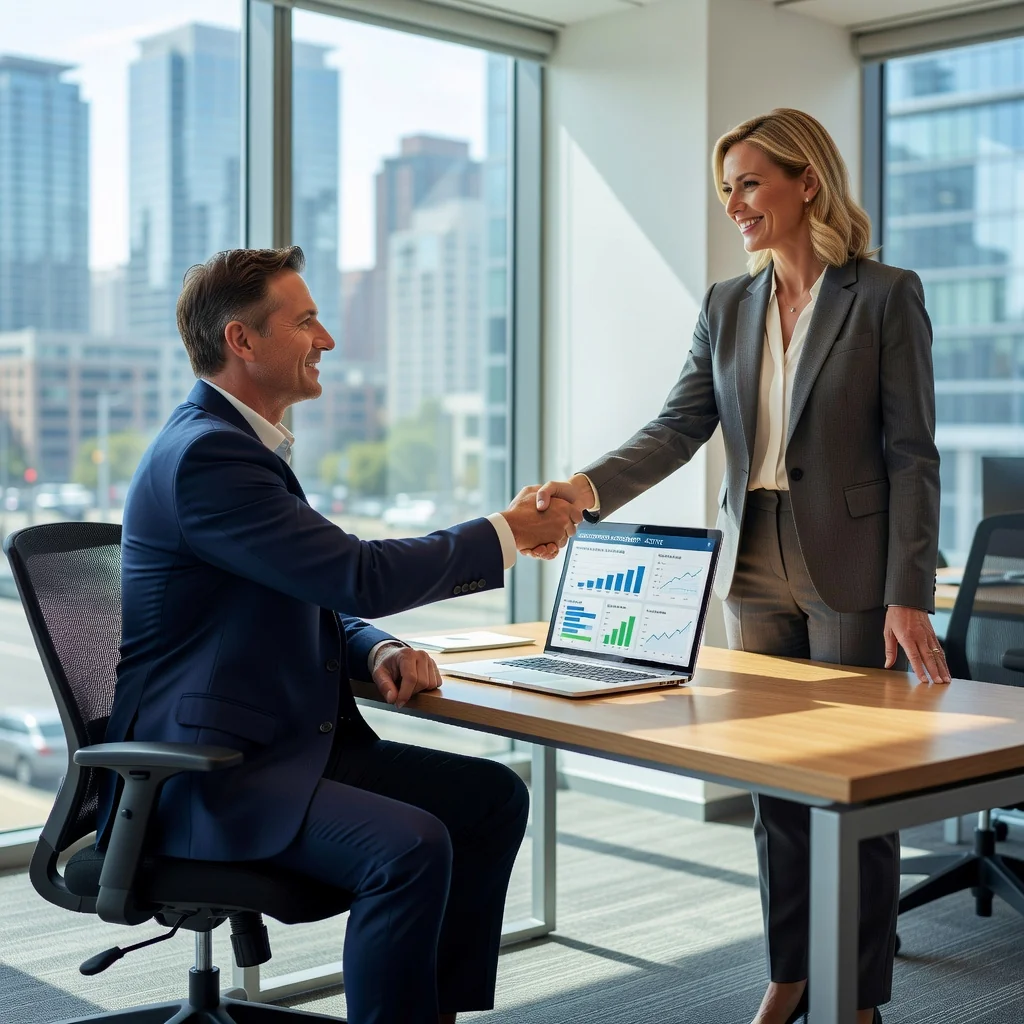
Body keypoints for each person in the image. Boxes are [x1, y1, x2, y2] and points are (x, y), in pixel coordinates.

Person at [529, 108, 948, 1024]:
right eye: (728, 188)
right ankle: (791, 972)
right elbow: (680, 426)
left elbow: (913, 453)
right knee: (778, 787)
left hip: (853, 565)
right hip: (753, 561)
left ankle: (858, 994)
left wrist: (907, 594)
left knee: (851, 786)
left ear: (808, 183)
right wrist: (583, 489)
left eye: (750, 183)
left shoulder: (883, 295)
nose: (735, 203)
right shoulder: (728, 302)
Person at [99, 246, 582, 1024]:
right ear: (242, 341)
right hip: (210, 777)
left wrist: (376, 649)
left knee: (490, 798)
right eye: (307, 321)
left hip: (279, 747)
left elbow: (314, 595)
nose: (327, 340)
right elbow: (356, 574)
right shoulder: (208, 457)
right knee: (409, 847)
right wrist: (507, 532)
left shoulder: (240, 447)